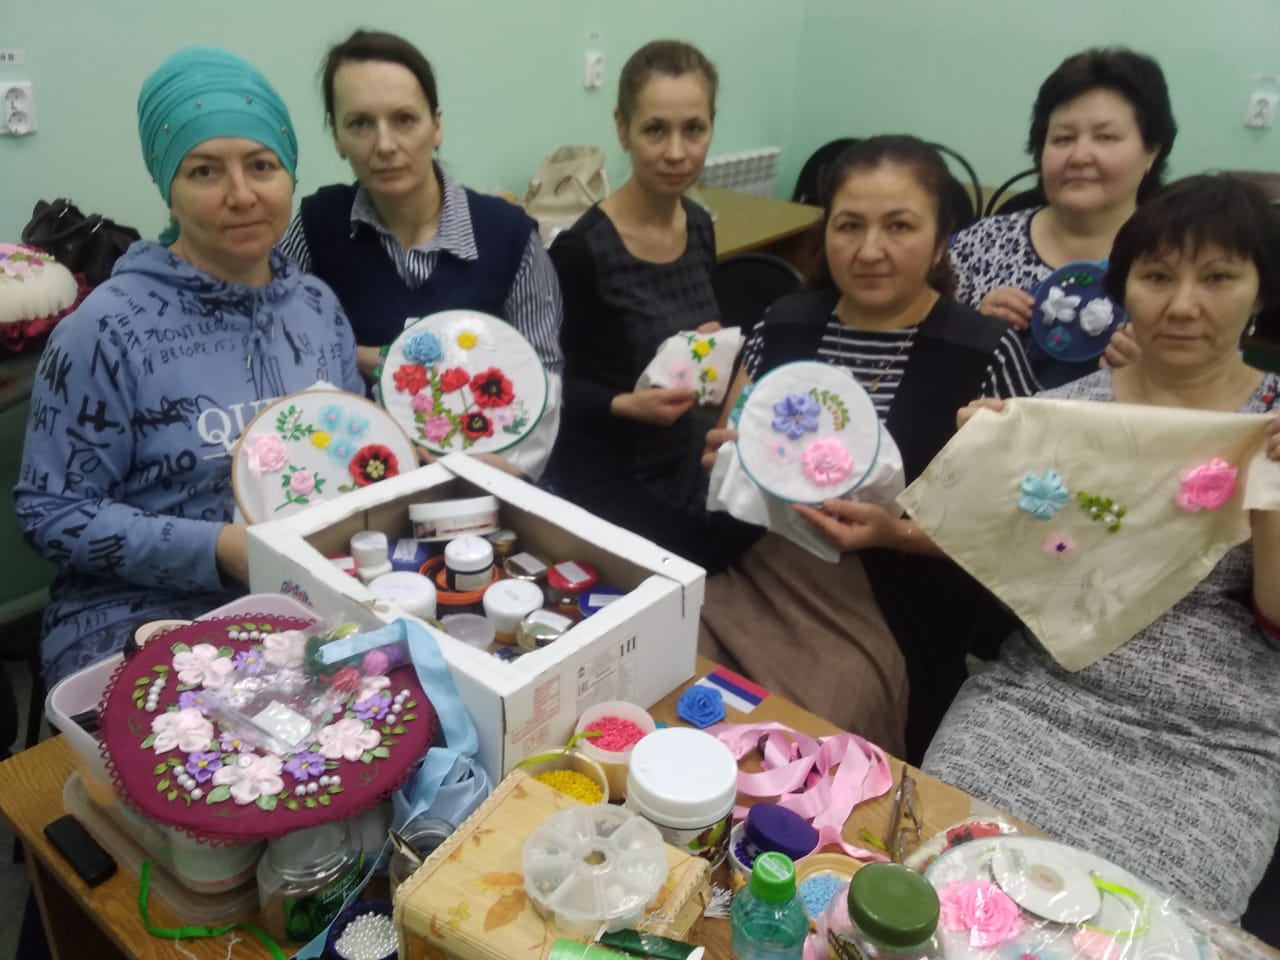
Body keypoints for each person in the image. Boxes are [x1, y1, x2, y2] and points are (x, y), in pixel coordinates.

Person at [925, 174, 1280, 920]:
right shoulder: (1066, 414)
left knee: (1149, 930)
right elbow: (1015, 571)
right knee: (944, 882)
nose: (1183, 305)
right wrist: (989, 465)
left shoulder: (1275, 424)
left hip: (1215, 742)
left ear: (1261, 291)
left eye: (1218, 277)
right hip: (1039, 699)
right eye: (1157, 276)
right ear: (1122, 290)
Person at [14, 47, 362, 686]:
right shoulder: (105, 330)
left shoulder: (317, 308)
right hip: (137, 615)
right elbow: (51, 513)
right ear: (168, 189)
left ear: (289, 174)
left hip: (307, 596)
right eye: (204, 171)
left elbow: (355, 459)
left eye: (262, 166)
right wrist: (218, 550)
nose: (241, 195)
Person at [697, 137, 1038, 760]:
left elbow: (1012, 529)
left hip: (880, 603)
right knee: (671, 672)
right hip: (749, 564)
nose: (869, 250)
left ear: (940, 241)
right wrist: (726, 460)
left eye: (899, 226)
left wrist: (893, 533)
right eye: (849, 225)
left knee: (804, 735)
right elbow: (727, 450)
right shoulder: (785, 323)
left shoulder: (983, 352)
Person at [278, 30, 562, 477]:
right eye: (360, 123)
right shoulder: (317, 227)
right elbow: (277, 346)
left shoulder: (509, 237)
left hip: (491, 478)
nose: (385, 145)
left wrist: (478, 476)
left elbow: (543, 379)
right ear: (337, 136)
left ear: (436, 125)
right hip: (356, 476)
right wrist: (359, 356)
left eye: (404, 119)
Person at [548, 39, 757, 572]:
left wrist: (709, 354)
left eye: (694, 129)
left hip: (684, 448)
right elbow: (548, 383)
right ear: (622, 128)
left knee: (761, 512)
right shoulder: (583, 251)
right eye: (655, 130)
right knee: (713, 545)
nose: (676, 152)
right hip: (610, 468)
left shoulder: (700, 225)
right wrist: (627, 404)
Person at [949, 48, 1177, 388]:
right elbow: (917, 363)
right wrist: (970, 332)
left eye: (1105, 137)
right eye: (1063, 138)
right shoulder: (976, 246)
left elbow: (1216, 389)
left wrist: (1163, 377)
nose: (1079, 156)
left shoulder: (1179, 259)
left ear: (1151, 151)